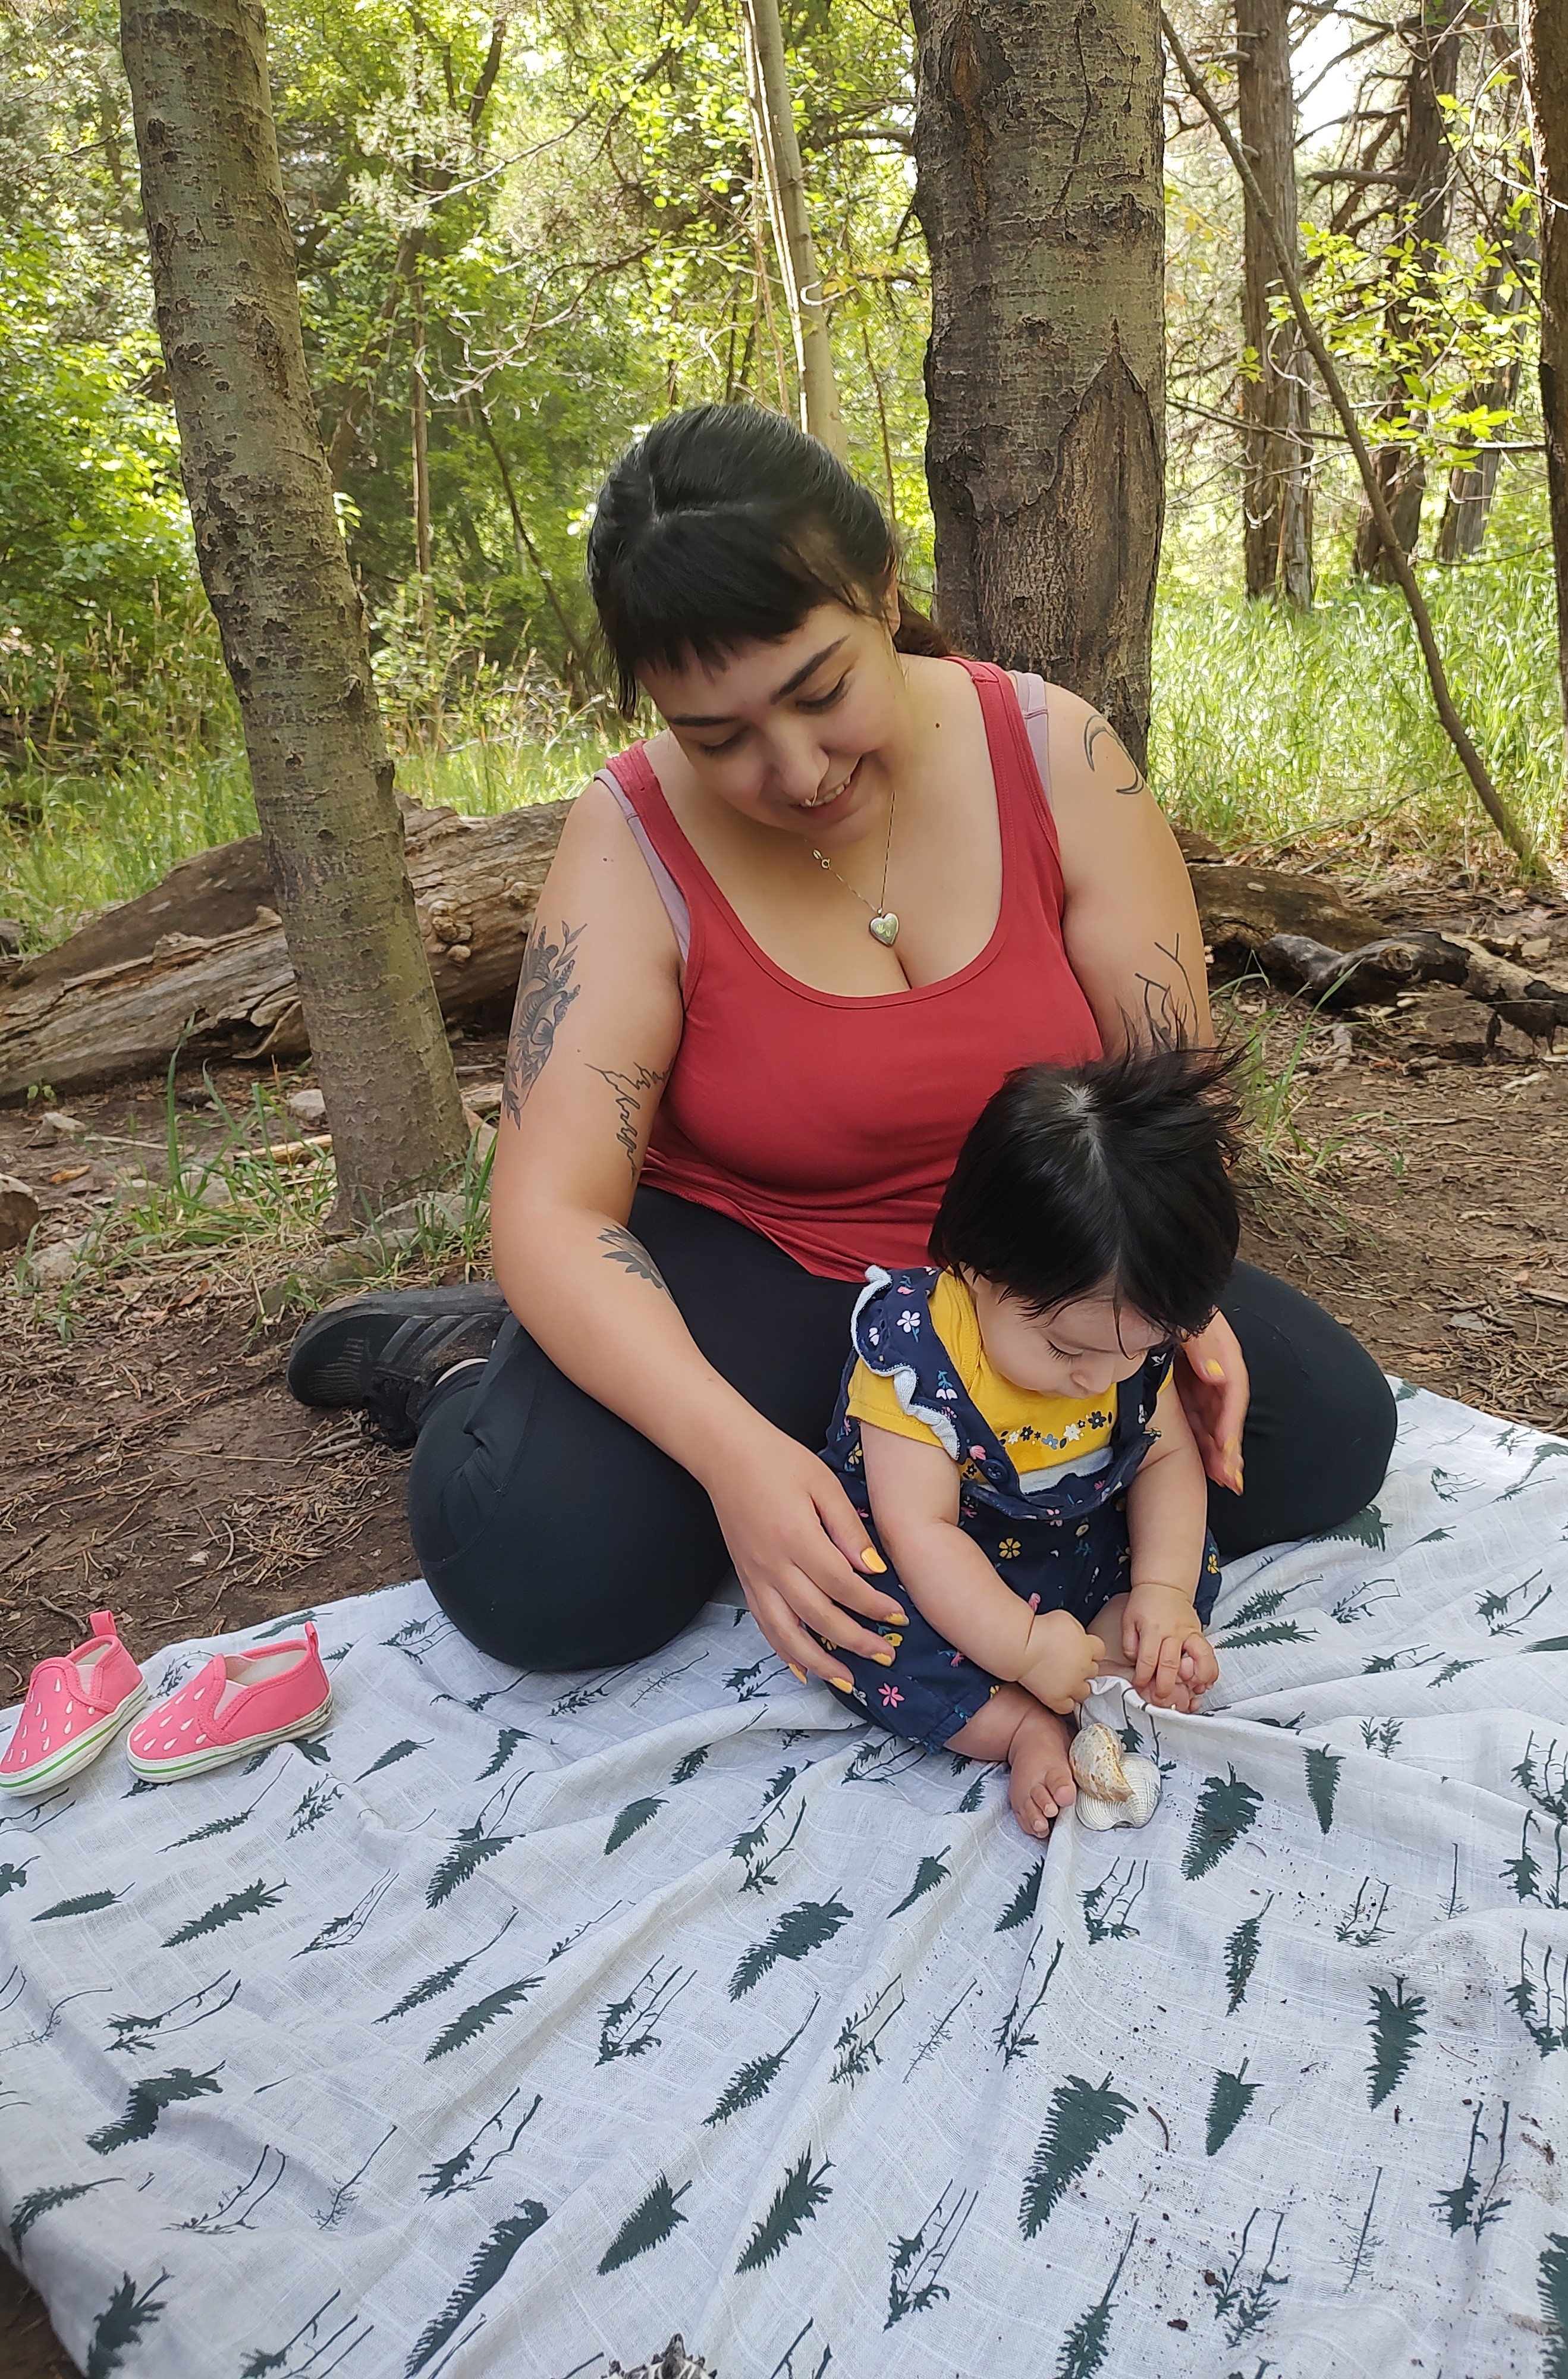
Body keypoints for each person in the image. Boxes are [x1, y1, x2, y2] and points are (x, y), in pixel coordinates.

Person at [288, 404, 1396, 1693]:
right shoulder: (626, 838)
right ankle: (463, 1365)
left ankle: (895, 1463)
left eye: (821, 693)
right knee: (543, 1572)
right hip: (759, 1256)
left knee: (1313, 1442)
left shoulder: (1062, 753)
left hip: (1036, 1252)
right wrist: (734, 1457)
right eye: (721, 739)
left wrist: (1184, 1292)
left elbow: (1165, 1094)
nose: (798, 767)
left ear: (883, 593)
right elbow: (548, 1206)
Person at [818, 1041, 1236, 1838]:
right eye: (1068, 1352)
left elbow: (1170, 1457)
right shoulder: (918, 1355)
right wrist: (1018, 1649)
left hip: (1075, 1540)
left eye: (1140, 1351)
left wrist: (1162, 1594)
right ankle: (1020, 1723)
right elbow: (921, 1531)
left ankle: (1115, 1649)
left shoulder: (1119, 1343)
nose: (1100, 1378)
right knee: (866, 1628)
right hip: (949, 1571)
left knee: (1177, 1557)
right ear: (976, 1269)